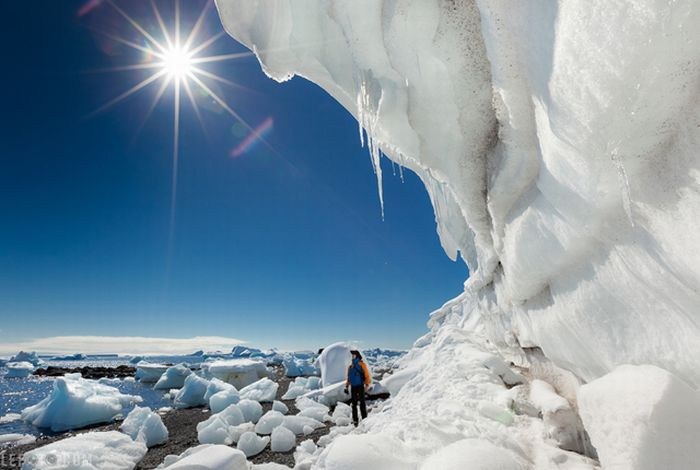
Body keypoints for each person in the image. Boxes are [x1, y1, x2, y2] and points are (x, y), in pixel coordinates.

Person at [343, 350, 371, 426]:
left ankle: (365, 419)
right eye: (352, 355)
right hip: (353, 387)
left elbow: (366, 374)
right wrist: (346, 386)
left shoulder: (362, 364)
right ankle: (355, 420)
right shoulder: (350, 366)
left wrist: (367, 384)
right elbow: (349, 378)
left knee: (362, 403)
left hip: (360, 386)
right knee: (354, 404)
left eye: (353, 355)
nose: (352, 356)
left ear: (357, 355)